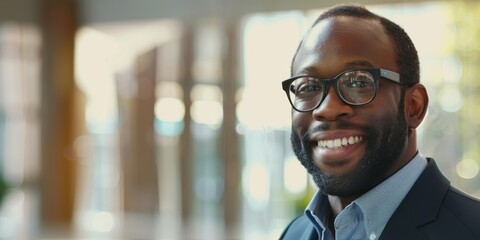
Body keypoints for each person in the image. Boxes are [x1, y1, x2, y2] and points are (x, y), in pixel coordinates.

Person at [279, 3, 480, 240]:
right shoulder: (294, 233)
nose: (328, 109)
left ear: (413, 106)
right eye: (309, 86)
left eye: (359, 83)